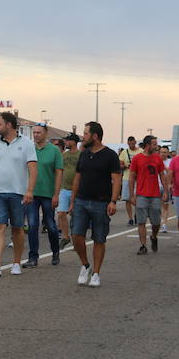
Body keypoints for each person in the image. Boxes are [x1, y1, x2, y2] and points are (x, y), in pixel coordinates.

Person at [0, 112, 38, 277]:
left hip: (18, 193)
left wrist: (30, 190)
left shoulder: (26, 143)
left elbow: (33, 168)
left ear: (9, 125)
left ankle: (16, 262)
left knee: (17, 228)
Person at [69, 121, 121, 288]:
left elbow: (116, 179)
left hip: (101, 203)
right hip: (81, 201)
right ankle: (85, 266)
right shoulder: (83, 154)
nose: (82, 137)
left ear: (95, 136)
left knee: (99, 239)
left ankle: (96, 273)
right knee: (76, 236)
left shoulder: (110, 155)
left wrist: (113, 201)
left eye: (85, 134)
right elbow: (77, 177)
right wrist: (72, 200)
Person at [23, 123, 63, 268]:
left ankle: (55, 252)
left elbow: (59, 173)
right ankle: (33, 257)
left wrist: (56, 194)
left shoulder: (54, 151)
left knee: (51, 225)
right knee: (32, 224)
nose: (36, 135)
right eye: (34, 133)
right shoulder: (29, 149)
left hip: (48, 194)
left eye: (39, 132)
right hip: (32, 194)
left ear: (46, 134)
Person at [128, 135, 168, 255]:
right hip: (141, 195)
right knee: (141, 221)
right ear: (147, 145)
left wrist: (166, 191)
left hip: (155, 195)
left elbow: (162, 175)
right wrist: (131, 195)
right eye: (154, 144)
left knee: (156, 222)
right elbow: (132, 177)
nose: (156, 147)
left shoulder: (157, 158)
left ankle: (154, 237)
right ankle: (143, 245)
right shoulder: (137, 159)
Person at [57, 132, 81, 250]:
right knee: (61, 213)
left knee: (76, 216)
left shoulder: (81, 155)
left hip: (77, 190)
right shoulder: (63, 156)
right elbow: (59, 171)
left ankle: (77, 240)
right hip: (64, 189)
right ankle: (65, 237)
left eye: (67, 140)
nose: (65, 142)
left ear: (73, 141)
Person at [118, 136, 142, 226]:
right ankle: (130, 218)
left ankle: (138, 214)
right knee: (127, 199)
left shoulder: (140, 151)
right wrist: (126, 166)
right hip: (127, 178)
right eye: (130, 143)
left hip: (138, 178)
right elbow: (119, 165)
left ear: (135, 142)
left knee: (138, 198)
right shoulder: (124, 152)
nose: (131, 145)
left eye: (133, 143)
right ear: (127, 143)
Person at [159, 145, 172, 233]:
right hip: (156, 186)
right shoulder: (156, 161)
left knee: (165, 206)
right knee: (157, 207)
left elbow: (171, 173)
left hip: (166, 187)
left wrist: (163, 166)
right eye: (161, 152)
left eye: (165, 152)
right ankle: (159, 222)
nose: (163, 154)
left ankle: (164, 224)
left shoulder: (170, 162)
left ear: (168, 153)